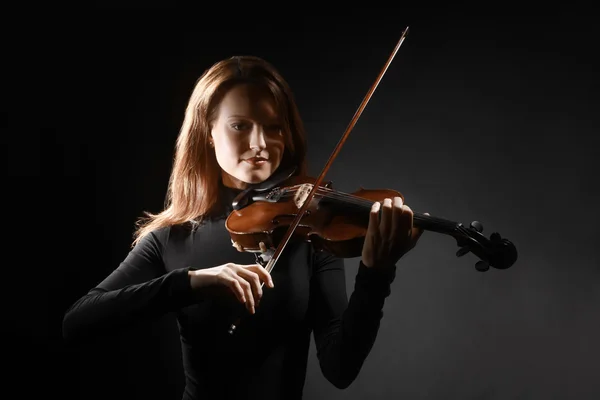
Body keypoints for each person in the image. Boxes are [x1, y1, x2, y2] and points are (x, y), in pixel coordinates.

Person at [62, 55, 425, 400]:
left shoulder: (309, 231)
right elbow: (78, 322)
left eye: (273, 127)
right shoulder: (169, 239)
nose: (260, 144)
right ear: (208, 131)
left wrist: (376, 274)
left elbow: (340, 368)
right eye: (240, 126)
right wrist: (192, 281)